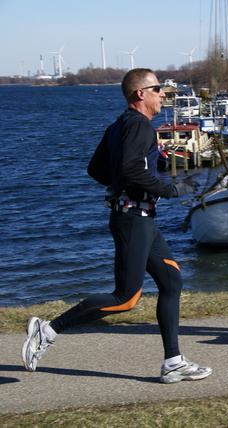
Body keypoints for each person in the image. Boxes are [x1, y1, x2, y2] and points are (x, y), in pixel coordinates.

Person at [21, 68, 212, 384]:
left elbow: (96, 169)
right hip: (133, 220)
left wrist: (128, 185)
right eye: (158, 89)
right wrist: (171, 188)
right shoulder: (140, 126)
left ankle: (174, 362)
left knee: (171, 281)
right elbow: (130, 169)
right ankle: (49, 329)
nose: (163, 94)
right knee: (125, 298)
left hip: (139, 218)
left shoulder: (119, 125)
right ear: (141, 93)